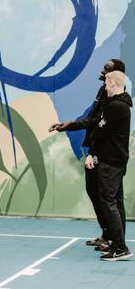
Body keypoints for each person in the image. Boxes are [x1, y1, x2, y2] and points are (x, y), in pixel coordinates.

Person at [49, 59, 126, 250]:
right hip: (98, 152)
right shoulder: (103, 92)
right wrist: (70, 124)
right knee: (97, 193)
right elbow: (92, 119)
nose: (102, 72)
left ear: (115, 78)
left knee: (112, 200)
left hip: (106, 155)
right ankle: (108, 234)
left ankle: (117, 242)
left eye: (106, 70)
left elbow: (100, 128)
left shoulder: (116, 101)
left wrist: (92, 152)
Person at [85, 71, 132, 261]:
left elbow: (99, 131)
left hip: (110, 162)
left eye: (106, 83)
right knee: (116, 202)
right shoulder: (121, 105)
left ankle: (120, 247)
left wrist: (92, 151)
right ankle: (116, 243)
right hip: (116, 161)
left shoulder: (116, 107)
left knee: (108, 203)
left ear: (113, 83)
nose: (104, 87)